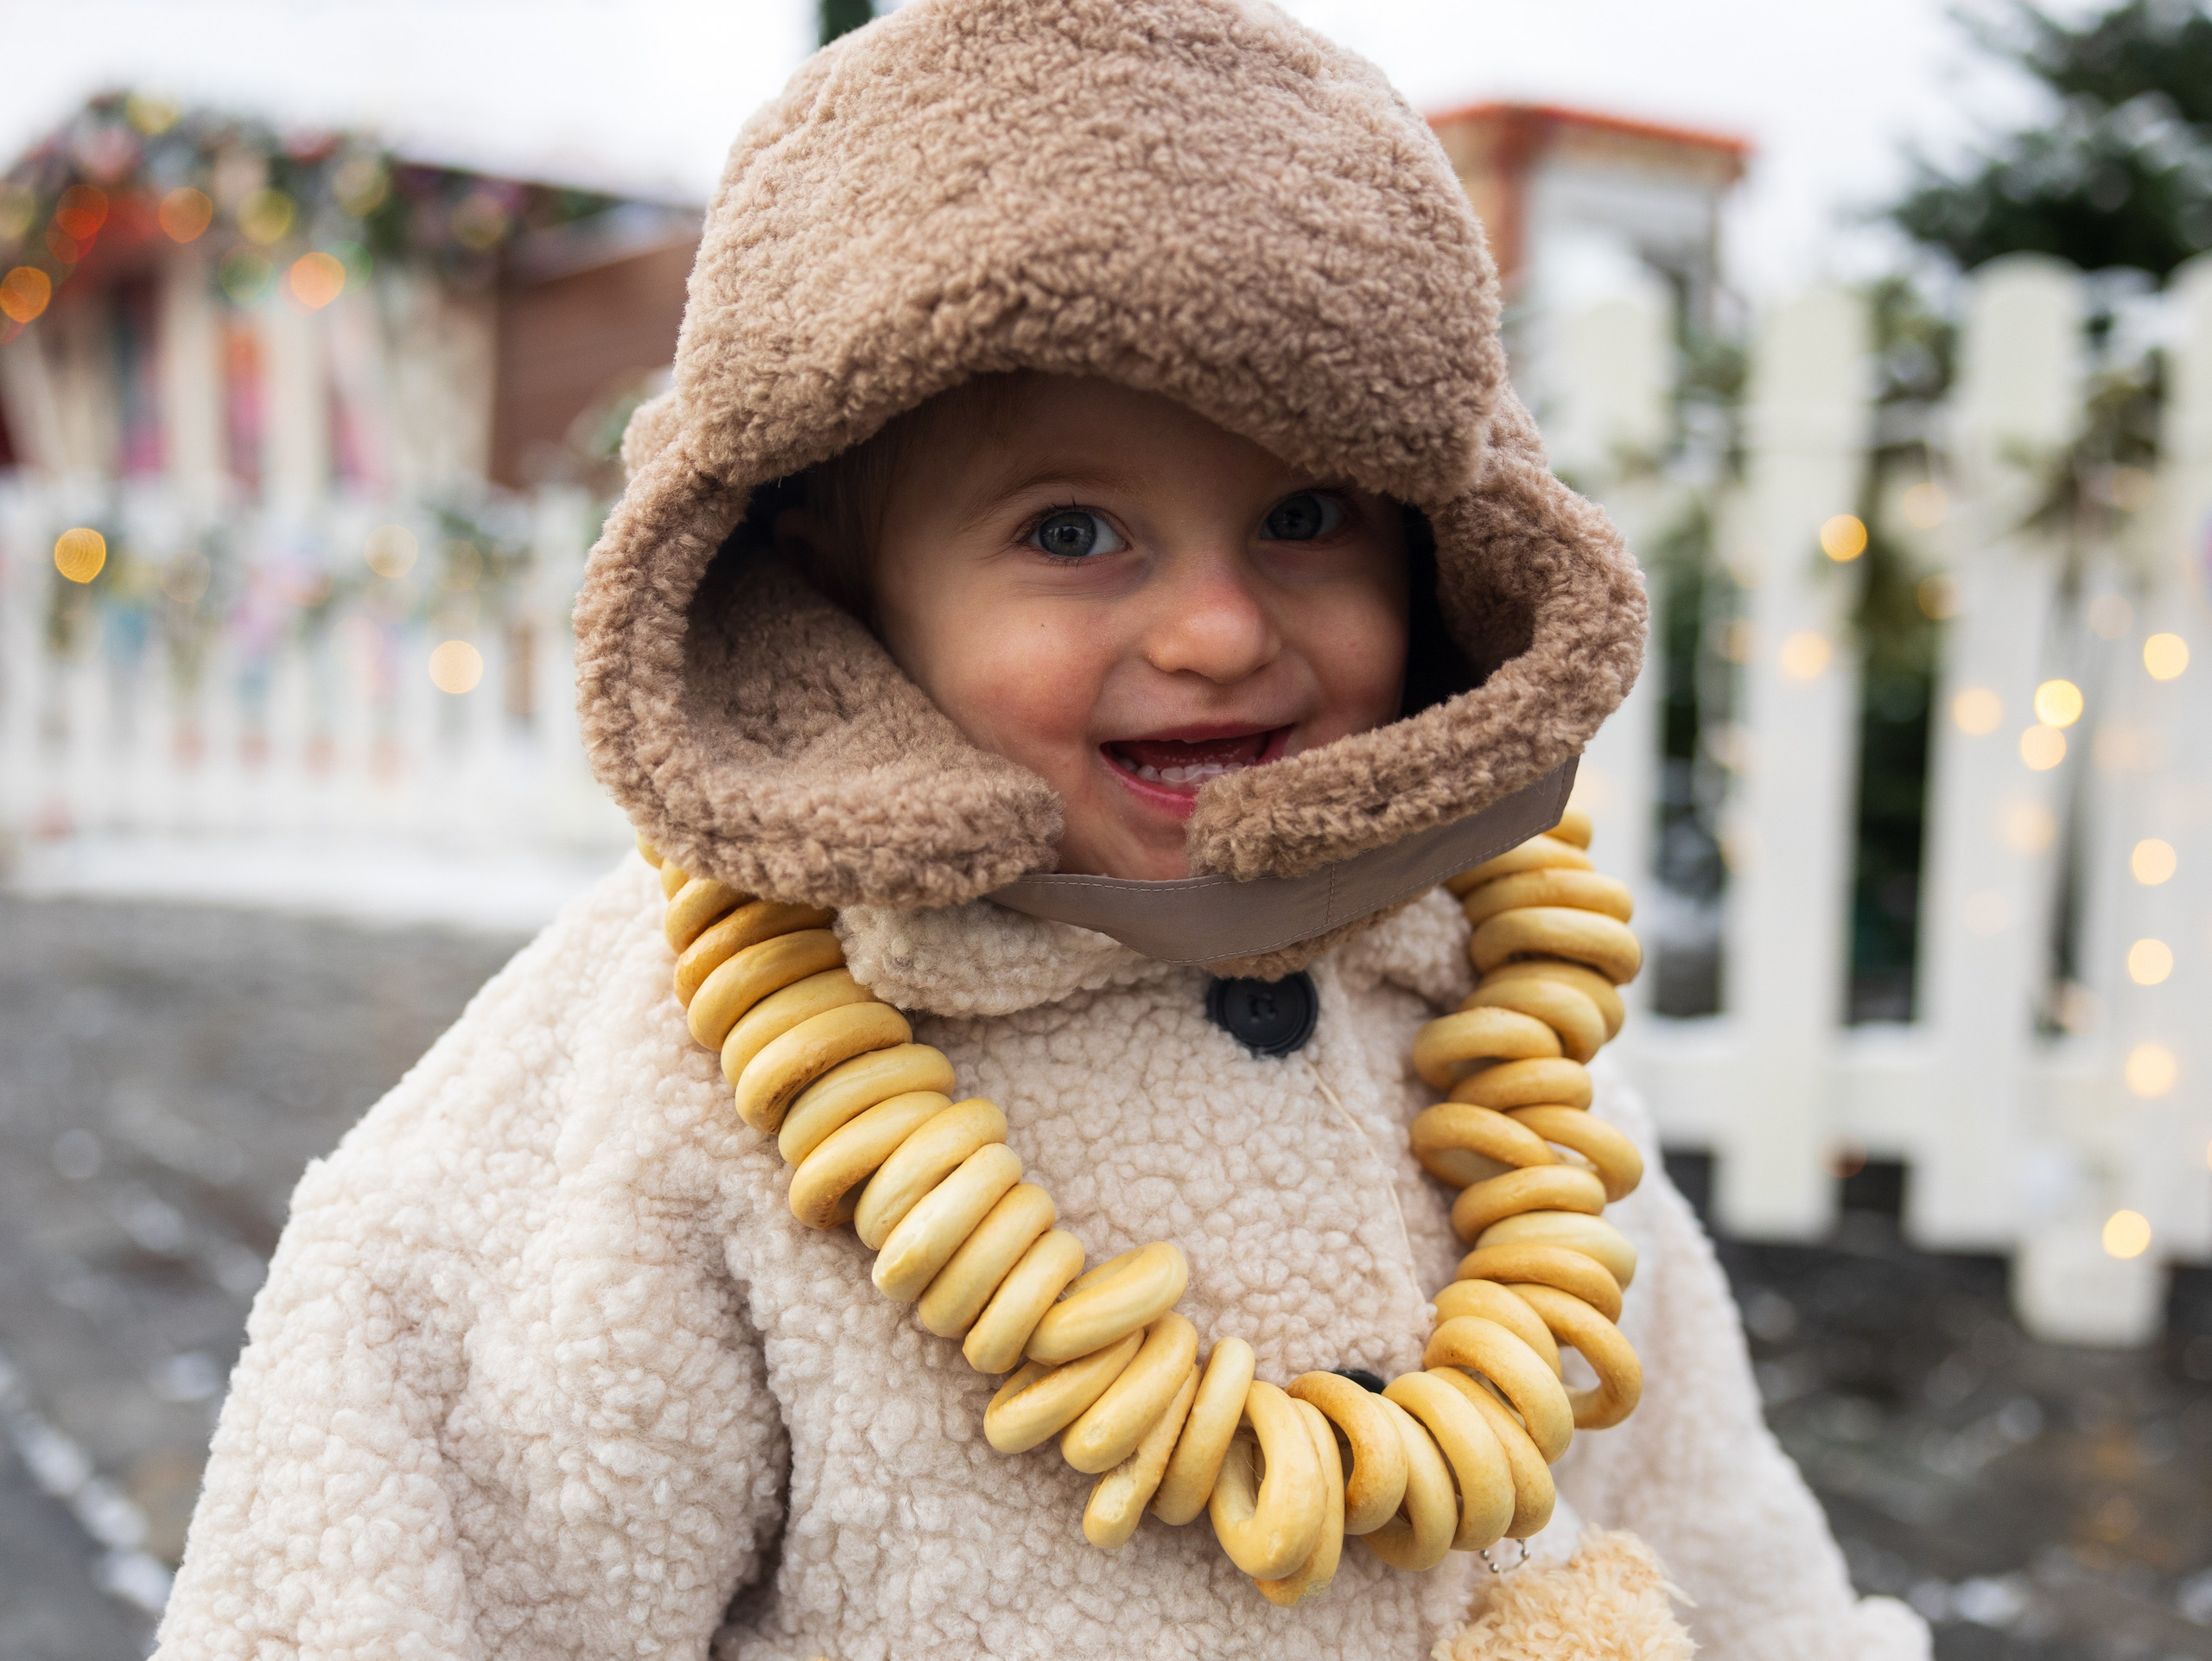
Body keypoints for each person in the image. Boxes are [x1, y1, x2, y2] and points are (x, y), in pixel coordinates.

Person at [157, 3, 1928, 1658]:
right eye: (1072, 532)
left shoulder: (1489, 1023)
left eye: (1303, 513)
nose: (1219, 630)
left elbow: (1705, 1511)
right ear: (838, 582)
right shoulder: (657, 1087)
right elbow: (393, 1567)